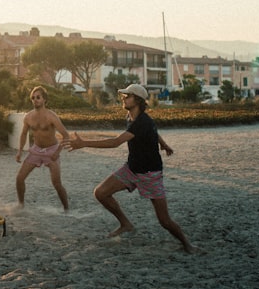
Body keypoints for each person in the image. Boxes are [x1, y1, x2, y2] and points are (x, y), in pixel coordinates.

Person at [66, 83, 195, 252]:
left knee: (164, 221)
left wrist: (84, 143)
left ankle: (188, 245)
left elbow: (115, 142)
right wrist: (164, 144)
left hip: (150, 173)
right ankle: (126, 224)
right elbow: (155, 133)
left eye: (127, 96)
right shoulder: (130, 116)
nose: (123, 98)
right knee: (101, 192)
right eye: (123, 95)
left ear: (138, 100)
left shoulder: (143, 122)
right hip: (132, 168)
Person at [15, 86, 70, 210]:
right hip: (36, 150)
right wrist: (19, 151)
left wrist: (57, 152)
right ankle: (21, 205)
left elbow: (66, 135)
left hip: (51, 151)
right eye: (33, 98)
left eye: (38, 97)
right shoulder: (28, 117)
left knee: (56, 184)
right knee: (19, 178)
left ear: (44, 99)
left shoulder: (51, 116)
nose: (35, 100)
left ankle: (66, 208)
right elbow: (24, 134)